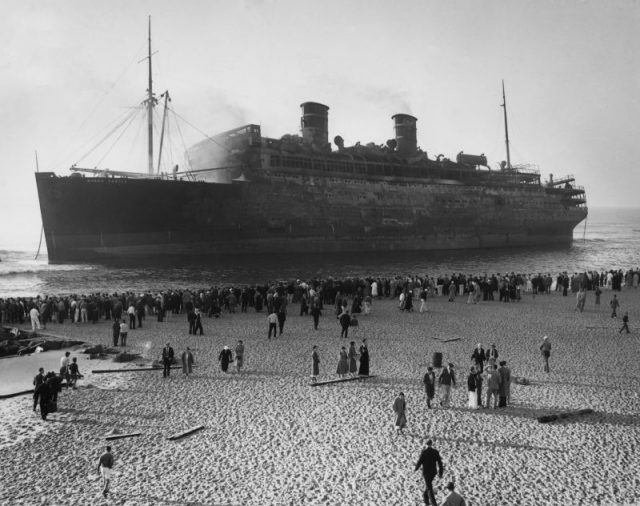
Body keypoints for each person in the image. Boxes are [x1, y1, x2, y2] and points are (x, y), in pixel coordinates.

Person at [414, 439, 444, 506]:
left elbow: (420, 461)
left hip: (426, 473)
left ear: (426, 444)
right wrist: (440, 472)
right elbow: (440, 463)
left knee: (429, 488)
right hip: (433, 472)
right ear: (431, 444)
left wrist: (416, 469)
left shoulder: (424, 452)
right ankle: (426, 501)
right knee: (428, 486)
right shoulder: (435, 452)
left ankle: (434, 504)